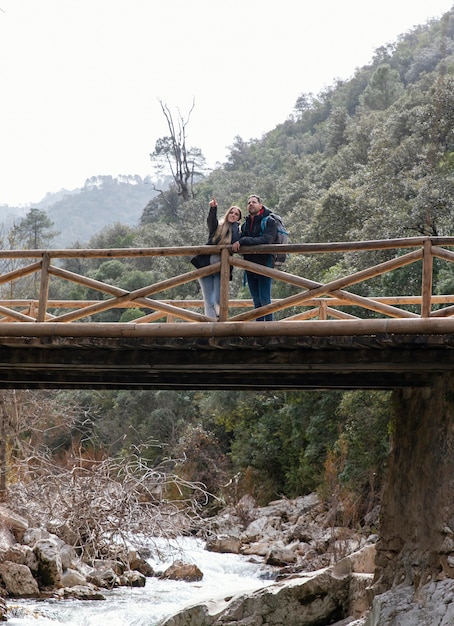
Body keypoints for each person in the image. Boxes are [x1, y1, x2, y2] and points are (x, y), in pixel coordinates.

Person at [231, 194, 277, 321]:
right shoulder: (245, 225)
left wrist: (245, 240)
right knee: (256, 301)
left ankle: (268, 330)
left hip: (264, 265)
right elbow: (238, 240)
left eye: (254, 202)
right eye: (249, 202)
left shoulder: (269, 221)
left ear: (260, 205)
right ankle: (259, 330)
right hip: (249, 266)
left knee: (265, 300)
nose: (251, 204)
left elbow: (267, 240)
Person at [196, 197, 242, 319]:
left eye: (236, 214)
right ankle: (212, 326)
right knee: (208, 300)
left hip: (222, 269)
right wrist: (213, 208)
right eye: (231, 212)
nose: (233, 215)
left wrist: (235, 226)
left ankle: (219, 320)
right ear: (227, 214)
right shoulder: (218, 228)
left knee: (218, 299)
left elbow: (235, 240)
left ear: (239, 218)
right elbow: (211, 222)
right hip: (205, 266)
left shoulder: (236, 230)